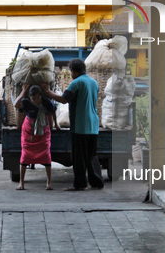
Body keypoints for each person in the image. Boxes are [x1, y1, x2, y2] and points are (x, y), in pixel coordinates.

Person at [41, 58, 104, 191]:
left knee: (78, 156)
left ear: (74, 71)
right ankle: (97, 182)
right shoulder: (94, 82)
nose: (71, 74)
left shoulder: (76, 83)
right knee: (92, 155)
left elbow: (64, 99)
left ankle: (80, 184)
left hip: (80, 125)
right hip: (93, 125)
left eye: (71, 71)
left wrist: (47, 92)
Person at [14, 84, 59, 190]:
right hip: (28, 131)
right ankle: (21, 183)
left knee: (46, 155)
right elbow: (16, 104)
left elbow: (53, 113)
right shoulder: (25, 102)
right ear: (29, 97)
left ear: (41, 96)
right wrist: (23, 92)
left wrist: (56, 124)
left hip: (43, 130)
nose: (36, 100)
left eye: (38, 97)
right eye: (33, 98)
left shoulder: (47, 102)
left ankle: (49, 183)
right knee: (25, 156)